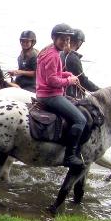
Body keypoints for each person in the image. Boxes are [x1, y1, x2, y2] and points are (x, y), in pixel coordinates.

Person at [36, 23, 86, 167]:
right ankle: (69, 156)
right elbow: (52, 81)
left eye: (68, 40)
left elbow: (50, 74)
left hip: (42, 92)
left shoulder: (48, 50)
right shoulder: (54, 56)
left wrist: (66, 74)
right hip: (50, 95)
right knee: (80, 120)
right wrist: (69, 80)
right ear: (54, 38)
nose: (65, 42)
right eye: (62, 39)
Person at [61, 28, 100, 98]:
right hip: (70, 95)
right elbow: (83, 80)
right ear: (79, 42)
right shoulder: (73, 58)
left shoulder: (61, 53)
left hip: (61, 91)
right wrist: (99, 90)